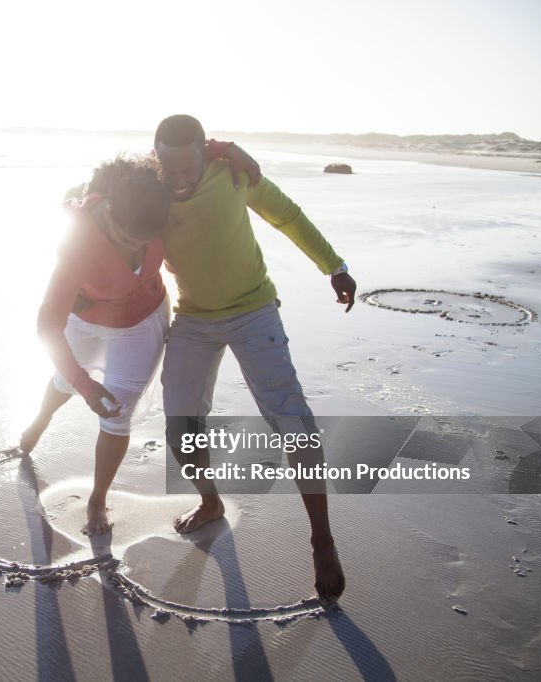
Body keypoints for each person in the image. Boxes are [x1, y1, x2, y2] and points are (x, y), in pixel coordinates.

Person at [154, 114, 354, 604]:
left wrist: (335, 266)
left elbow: (287, 215)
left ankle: (322, 539)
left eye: (188, 168)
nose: (179, 181)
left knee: (292, 418)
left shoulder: (234, 173)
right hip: (194, 318)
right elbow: (101, 197)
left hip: (253, 311)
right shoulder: (148, 184)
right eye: (169, 168)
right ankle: (210, 502)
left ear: (204, 155)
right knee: (179, 423)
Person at [21, 144, 261, 536]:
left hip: (141, 320)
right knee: (67, 380)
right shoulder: (78, 242)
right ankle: (41, 419)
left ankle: (98, 498)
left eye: (144, 241)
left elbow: (176, 151)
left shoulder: (156, 197)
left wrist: (225, 149)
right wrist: (84, 384)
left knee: (115, 413)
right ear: (110, 213)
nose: (134, 249)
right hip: (87, 318)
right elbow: (47, 324)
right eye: (124, 237)